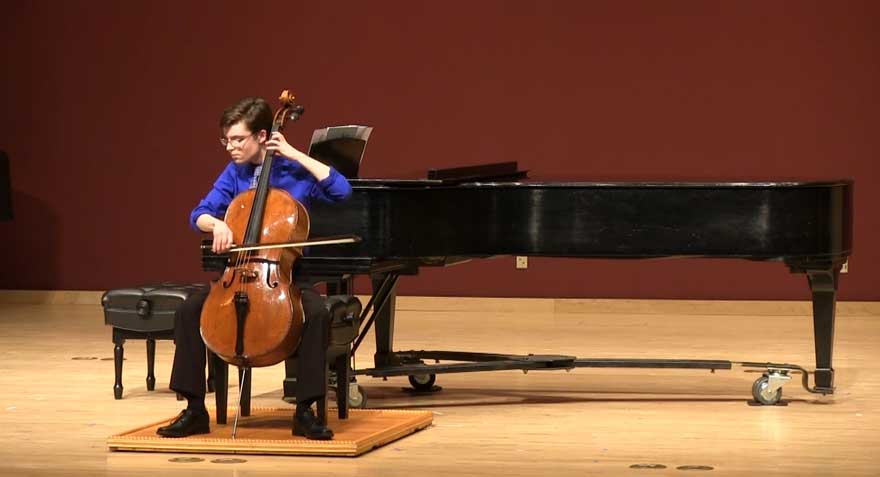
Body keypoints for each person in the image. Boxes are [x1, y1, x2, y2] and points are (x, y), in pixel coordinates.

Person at [156, 97, 352, 440]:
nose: (230, 147)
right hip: (237, 273)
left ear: (263, 136)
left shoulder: (295, 172)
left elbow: (342, 191)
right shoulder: (235, 173)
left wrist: (294, 153)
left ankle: (305, 411)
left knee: (317, 314)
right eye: (226, 140)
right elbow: (197, 214)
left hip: (284, 275)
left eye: (237, 140)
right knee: (189, 310)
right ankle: (194, 409)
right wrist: (216, 225)